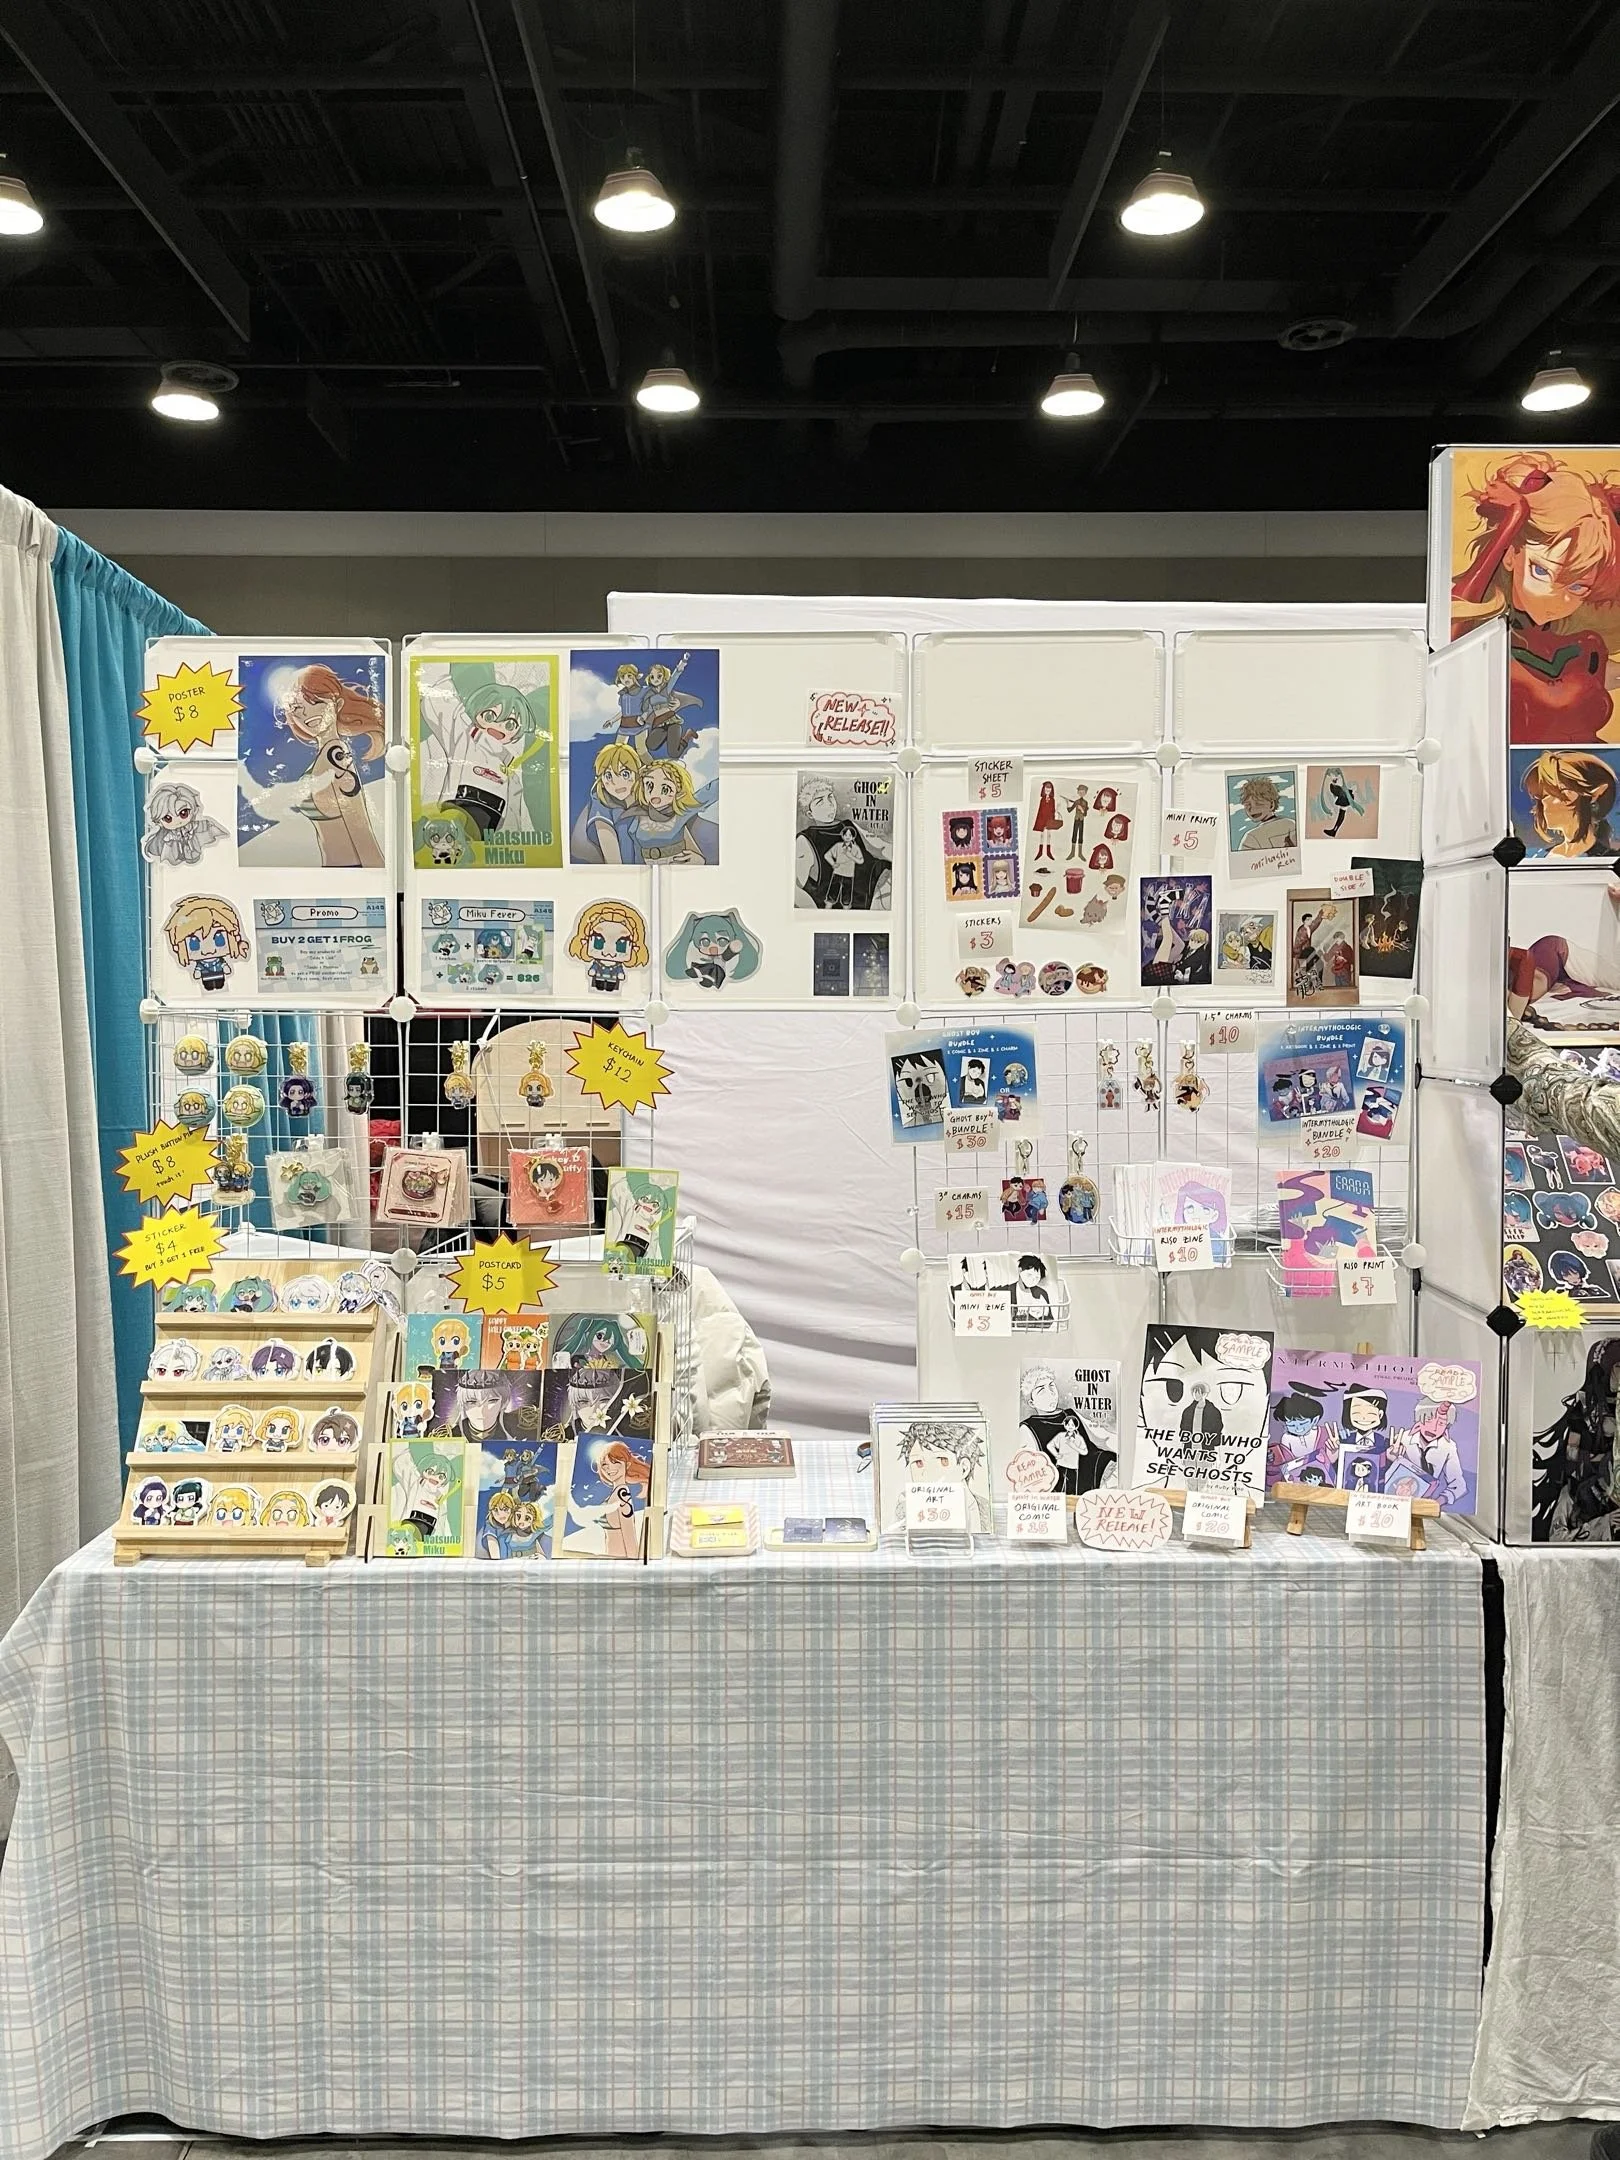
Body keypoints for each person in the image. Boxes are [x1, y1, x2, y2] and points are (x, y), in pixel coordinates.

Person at [1451, 450, 1620, 742]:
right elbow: (1455, 615)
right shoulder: (1481, 642)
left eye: (1577, 587)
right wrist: (1513, 520)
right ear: (1510, 556)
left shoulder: (1585, 648)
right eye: (1541, 571)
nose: (1555, 599)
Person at [271, 662, 386, 867]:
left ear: (337, 704)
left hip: (352, 873)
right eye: (296, 707)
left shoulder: (336, 755)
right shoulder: (326, 754)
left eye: (315, 701)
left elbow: (361, 828)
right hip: (334, 873)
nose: (306, 713)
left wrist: (378, 878)